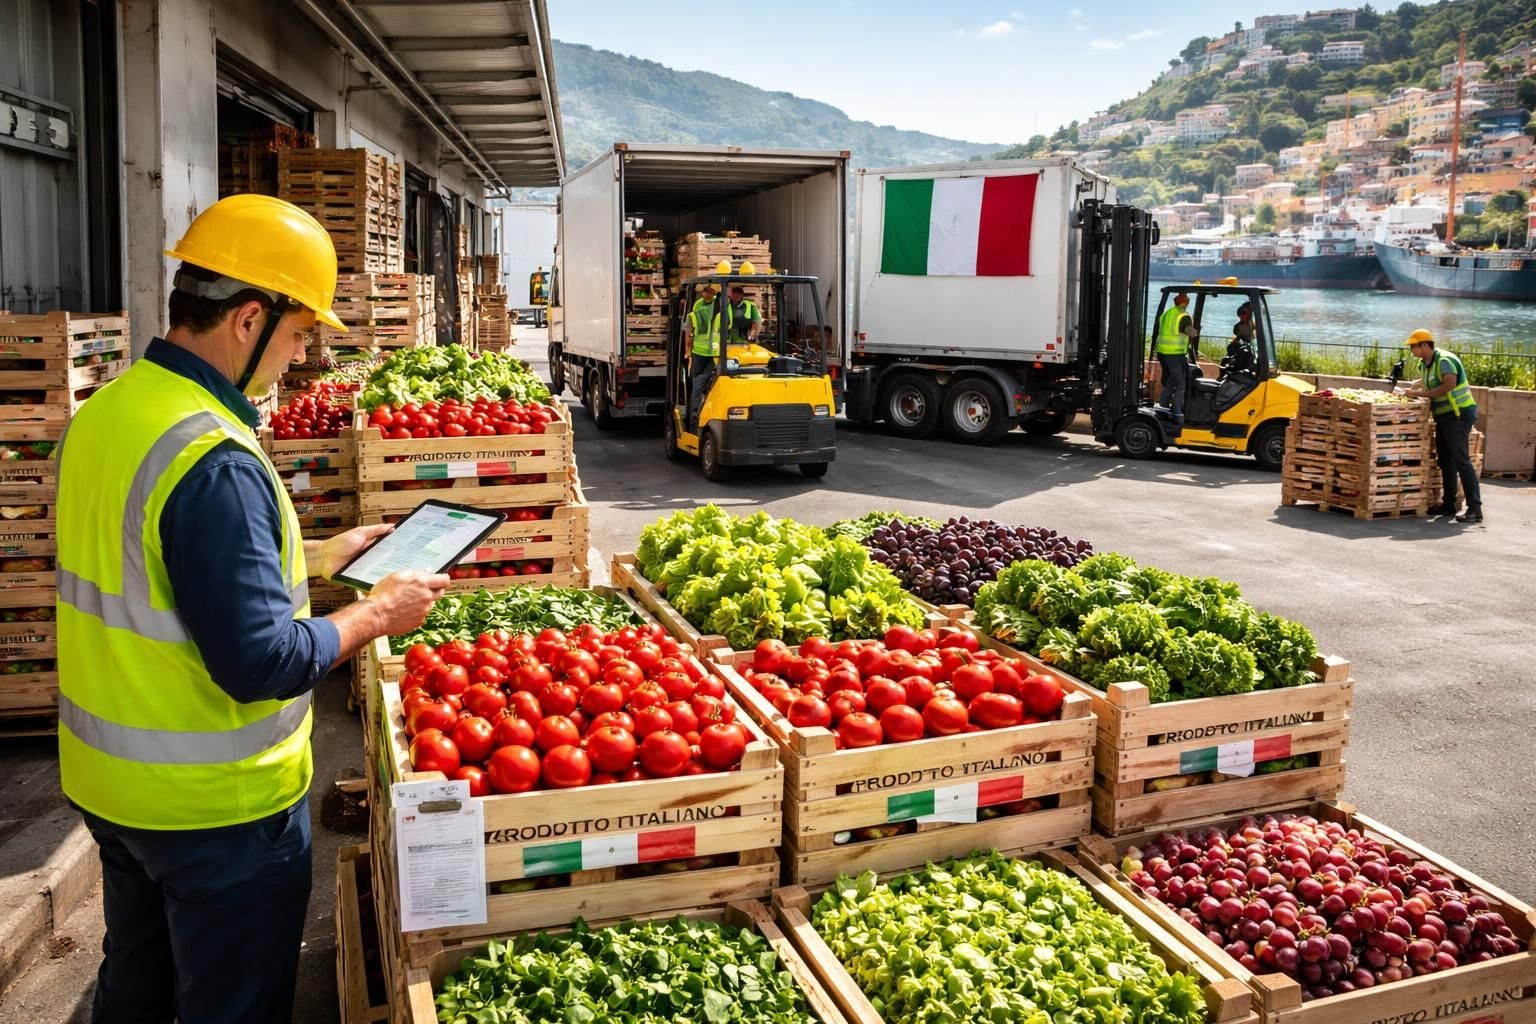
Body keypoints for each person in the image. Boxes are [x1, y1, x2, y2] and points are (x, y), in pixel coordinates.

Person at [54, 194, 450, 1023]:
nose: (302, 356)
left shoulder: (114, 411)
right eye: (299, 333)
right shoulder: (212, 456)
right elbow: (261, 662)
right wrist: (376, 613)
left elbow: (151, 566)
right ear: (246, 318)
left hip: (111, 786)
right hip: (216, 811)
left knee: (136, 984)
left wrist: (320, 556)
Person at [1404, 328, 1482, 523]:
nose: (1411, 350)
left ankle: (1475, 509)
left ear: (1424, 345)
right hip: (1444, 417)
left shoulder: (1444, 360)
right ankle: (1448, 505)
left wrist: (1419, 394)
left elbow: (1449, 384)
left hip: (1458, 415)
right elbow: (1429, 380)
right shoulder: (1425, 364)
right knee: (1446, 461)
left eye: (1413, 346)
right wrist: (1414, 386)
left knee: (1461, 461)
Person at [1152, 292, 1199, 424]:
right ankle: (1177, 412)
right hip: (1175, 354)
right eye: (1188, 300)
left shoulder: (1167, 313)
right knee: (1180, 384)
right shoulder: (1183, 316)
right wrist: (1196, 331)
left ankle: (1163, 404)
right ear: (1184, 302)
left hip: (1162, 352)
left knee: (1171, 380)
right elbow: (1191, 333)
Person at [683, 282, 722, 427]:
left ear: (714, 293)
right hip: (702, 351)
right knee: (700, 382)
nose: (706, 294)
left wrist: (688, 349)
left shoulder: (717, 305)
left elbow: (690, 331)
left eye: (709, 291)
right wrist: (688, 350)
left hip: (712, 352)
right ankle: (696, 412)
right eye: (705, 291)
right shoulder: (704, 305)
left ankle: (696, 414)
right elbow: (690, 330)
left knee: (701, 382)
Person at [1226, 302, 1256, 375]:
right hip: (1242, 345)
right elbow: (1238, 337)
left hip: (1250, 345)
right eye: (1241, 317)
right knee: (1232, 348)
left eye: (1243, 316)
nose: (1242, 319)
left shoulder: (1252, 324)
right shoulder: (1238, 326)